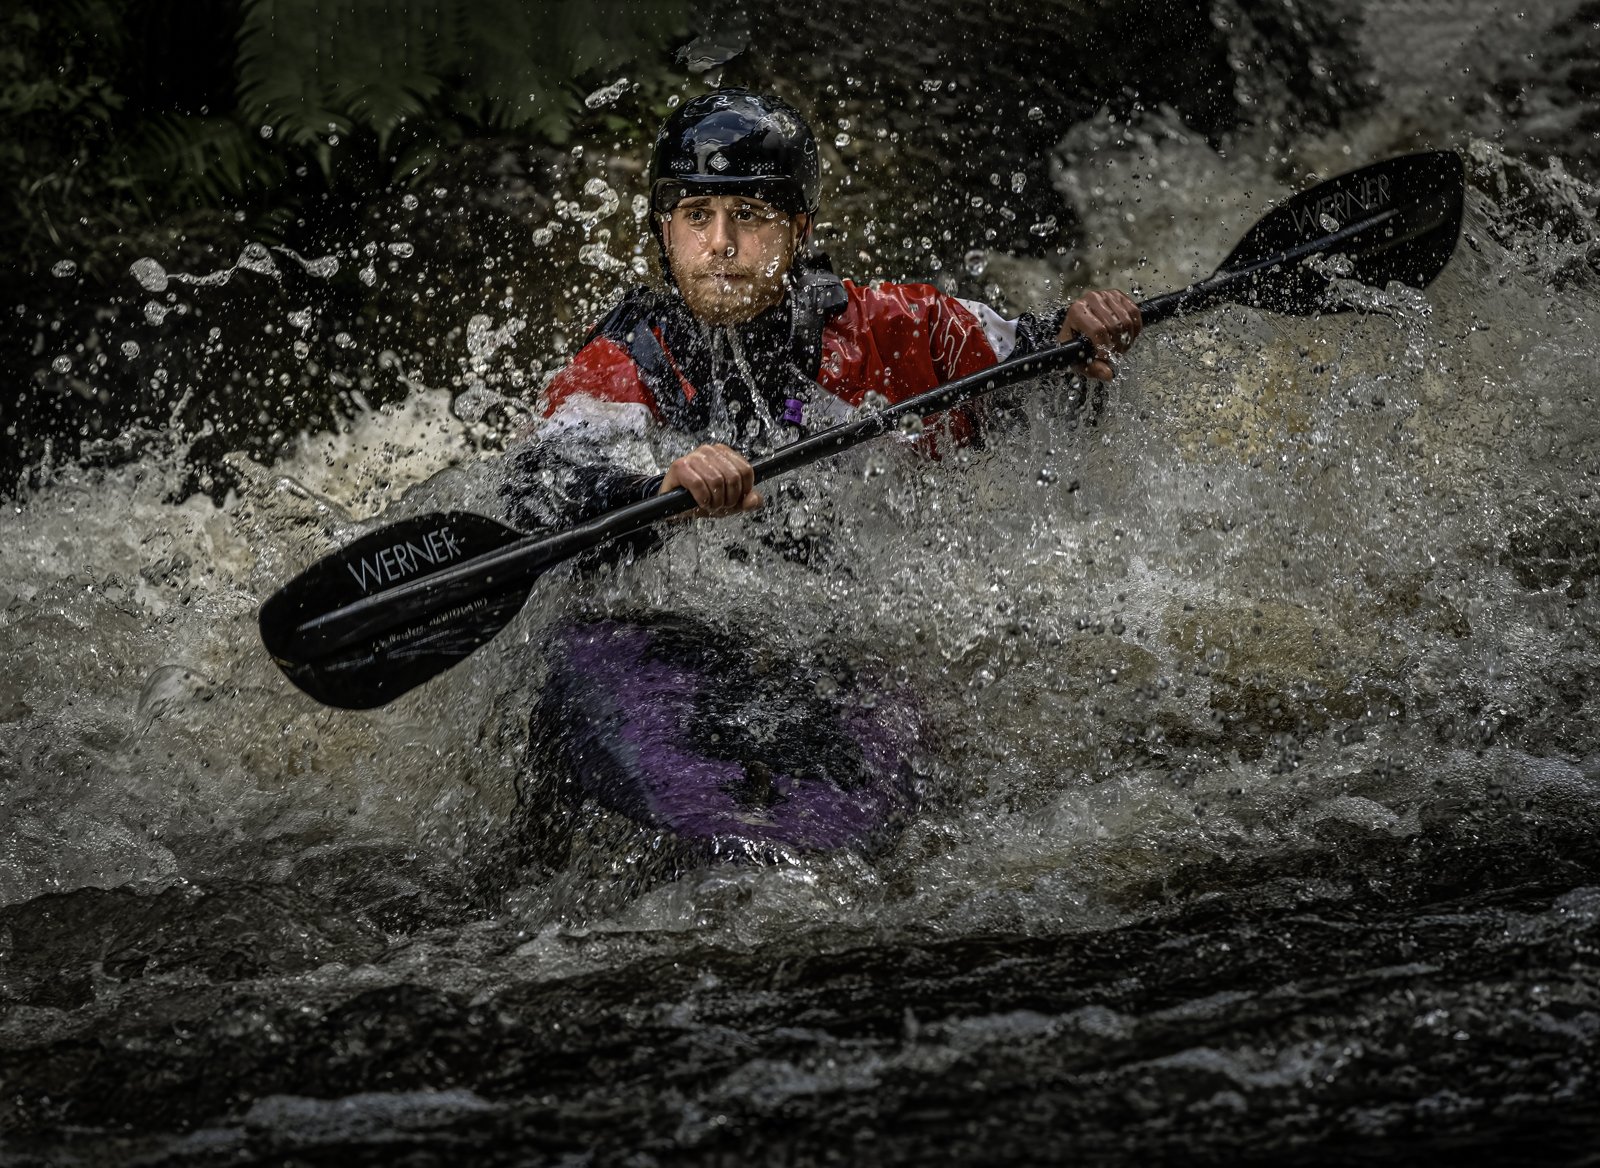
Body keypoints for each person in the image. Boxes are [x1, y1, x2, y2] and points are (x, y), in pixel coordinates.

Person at [504, 87, 1142, 536]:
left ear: (799, 231)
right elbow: (539, 484)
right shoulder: (627, 361)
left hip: (835, 631)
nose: (720, 243)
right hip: (664, 638)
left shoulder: (886, 327)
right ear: (664, 233)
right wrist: (656, 496)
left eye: (748, 216)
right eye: (697, 216)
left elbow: (1030, 370)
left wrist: (1073, 338)